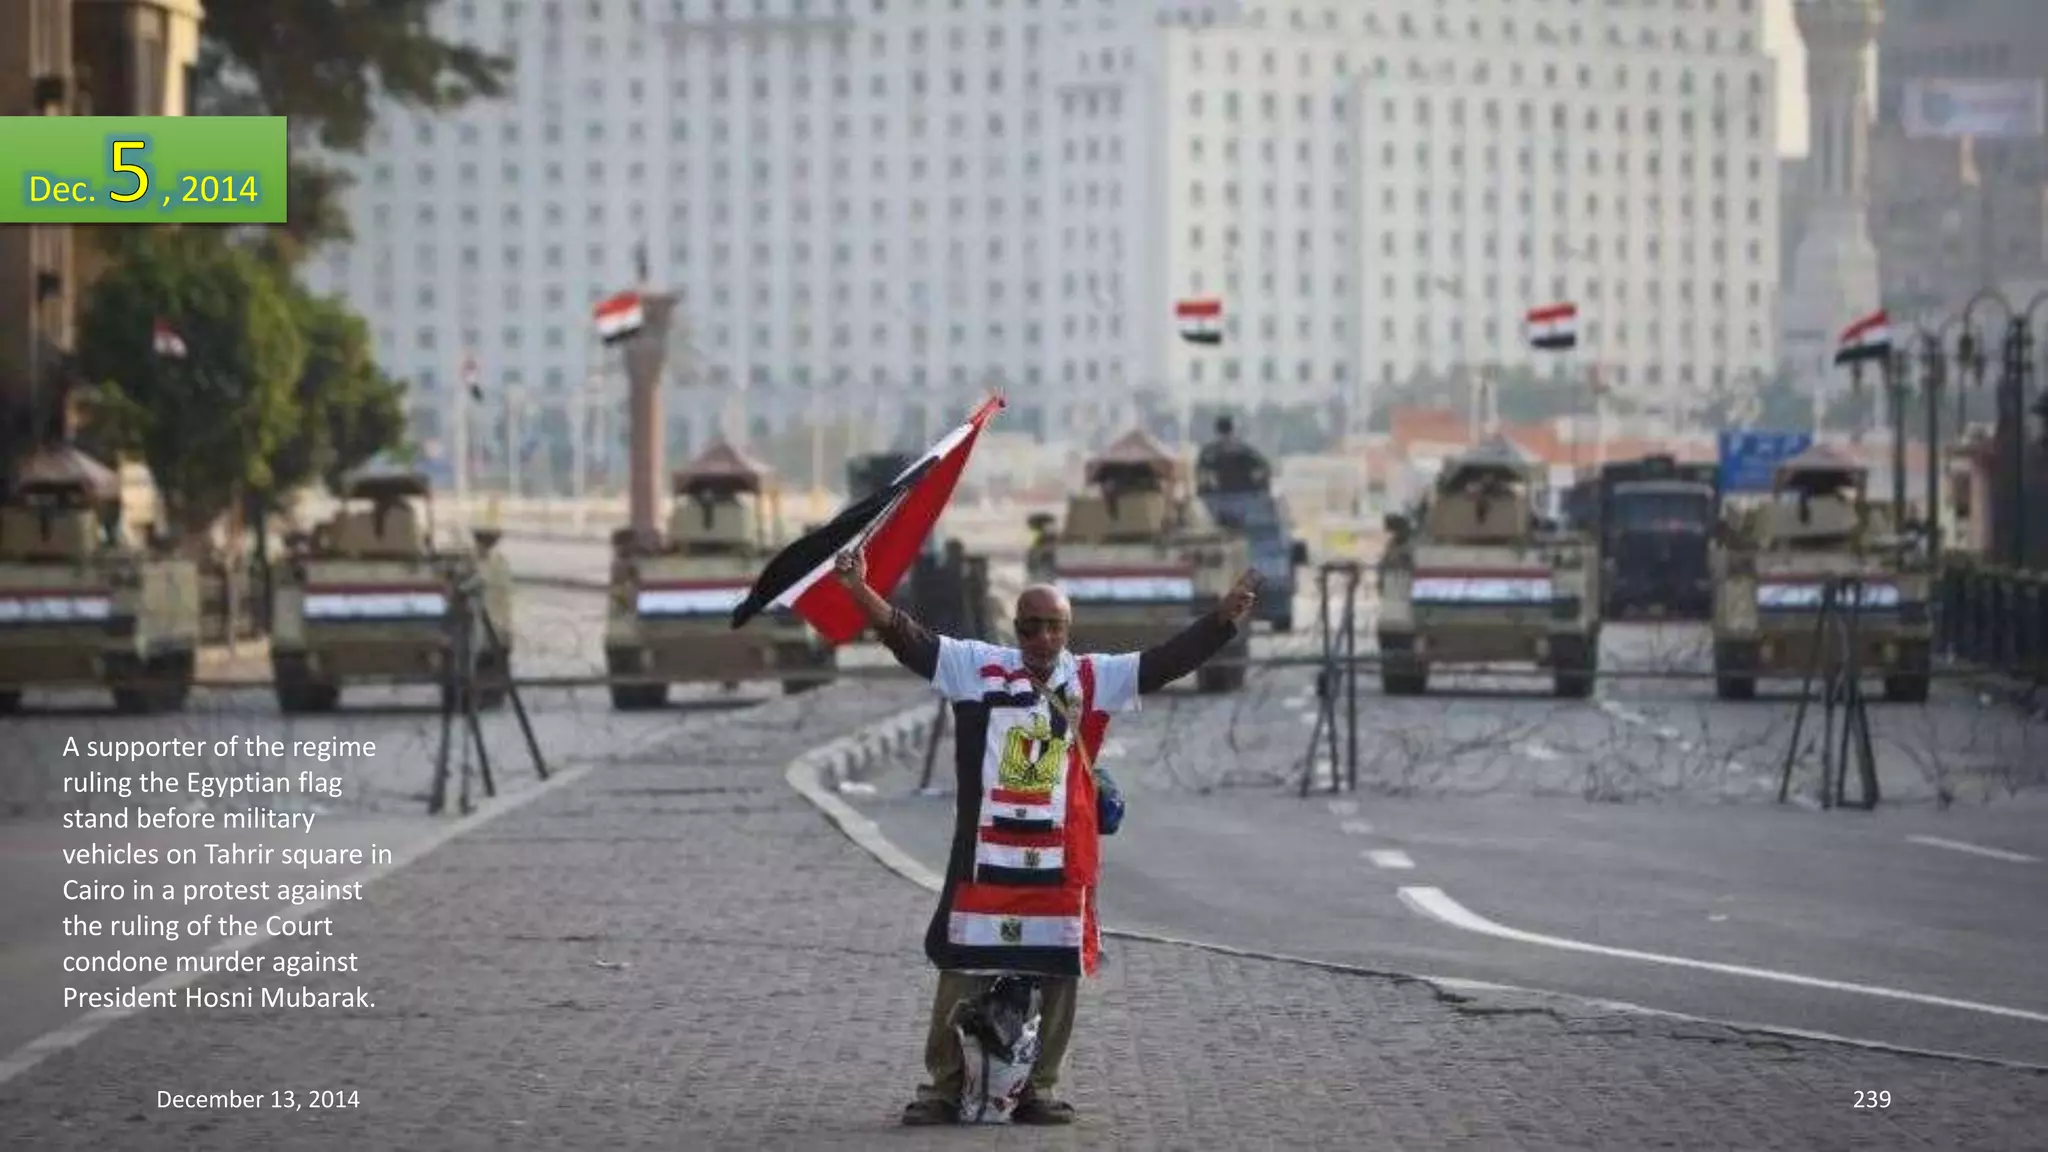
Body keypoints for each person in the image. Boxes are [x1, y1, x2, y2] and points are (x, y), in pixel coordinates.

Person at [831, 547, 1261, 1127]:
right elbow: (905, 636)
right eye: (1030, 626)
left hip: (1060, 863)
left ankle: (1038, 1085)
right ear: (1016, 628)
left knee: (1059, 973)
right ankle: (943, 1086)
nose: (1041, 637)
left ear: (1068, 629)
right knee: (961, 966)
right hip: (985, 860)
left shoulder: (1093, 678)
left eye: (1053, 626)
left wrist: (1221, 622)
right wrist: (860, 589)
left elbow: (1166, 662)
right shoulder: (975, 667)